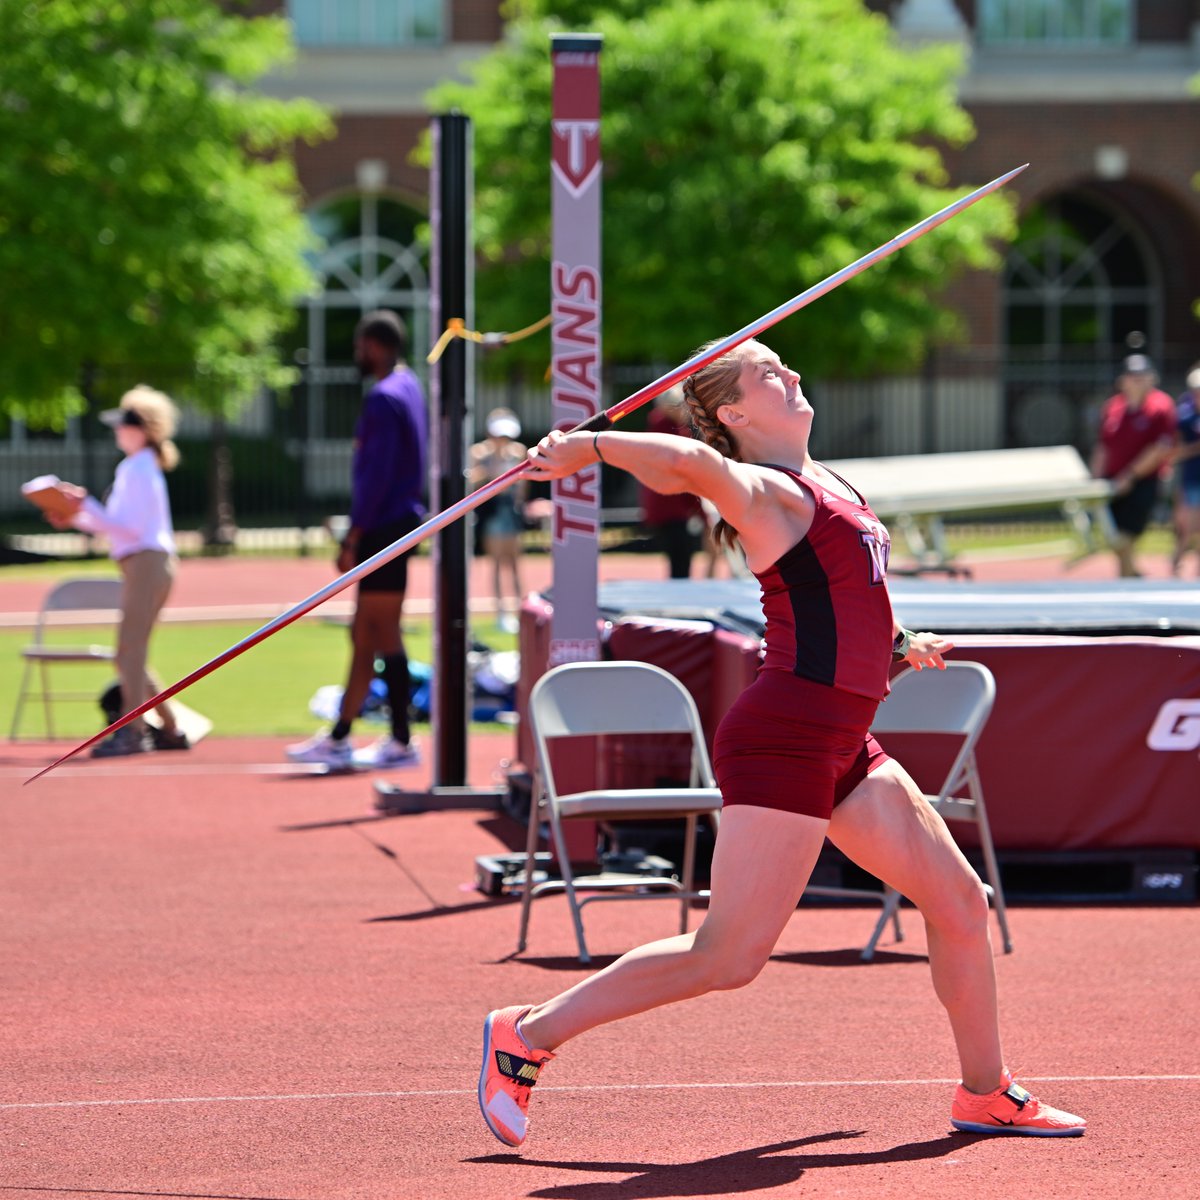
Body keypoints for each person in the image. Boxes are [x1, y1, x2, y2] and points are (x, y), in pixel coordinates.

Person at [478, 339, 1086, 1146]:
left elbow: (837, 591)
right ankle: (527, 1032)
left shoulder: (829, 481)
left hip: (843, 739)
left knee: (960, 903)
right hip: (785, 740)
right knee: (727, 957)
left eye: (787, 364)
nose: (792, 374)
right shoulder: (761, 491)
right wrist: (587, 446)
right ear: (733, 412)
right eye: (768, 373)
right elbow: (688, 464)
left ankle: (986, 1092)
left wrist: (897, 643)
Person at [286, 310, 428, 770]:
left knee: (382, 630)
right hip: (395, 523)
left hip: (385, 526)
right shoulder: (408, 388)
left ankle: (401, 740)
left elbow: (375, 476)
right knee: (364, 632)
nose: (356, 355)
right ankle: (343, 732)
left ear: (376, 345)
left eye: (360, 345)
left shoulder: (384, 397)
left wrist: (355, 534)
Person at [46, 387, 189, 756]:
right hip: (145, 561)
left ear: (141, 429)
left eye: (124, 425)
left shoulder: (137, 467)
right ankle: (170, 728)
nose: (117, 432)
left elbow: (127, 527)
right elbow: (116, 525)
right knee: (130, 652)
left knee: (129, 651)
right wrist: (75, 514)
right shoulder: (139, 467)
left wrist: (83, 505)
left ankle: (135, 730)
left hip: (147, 560)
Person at [1090, 354, 1177, 577]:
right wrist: (1093, 481)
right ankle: (1130, 575)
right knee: (1115, 535)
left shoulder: (1161, 406)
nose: (1136, 380)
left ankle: (1127, 577)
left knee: (1126, 533)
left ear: (1151, 378)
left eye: (1142, 375)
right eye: (1132, 375)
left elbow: (1159, 449)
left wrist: (1129, 476)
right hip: (1111, 481)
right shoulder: (1112, 407)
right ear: (1122, 379)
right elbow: (1103, 446)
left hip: (1143, 480)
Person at [469, 407, 529, 633]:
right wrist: (491, 465)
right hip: (492, 511)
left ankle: (521, 610)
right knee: (496, 563)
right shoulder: (480, 452)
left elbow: (523, 484)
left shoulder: (517, 451)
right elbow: (473, 480)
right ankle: (501, 613)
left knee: (514, 564)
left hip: (509, 511)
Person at [639, 386, 705, 578]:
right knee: (681, 561)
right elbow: (685, 474)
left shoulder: (657, 429)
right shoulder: (673, 433)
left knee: (677, 560)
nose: (686, 410)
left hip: (663, 506)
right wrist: (701, 512)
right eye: (682, 405)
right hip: (673, 507)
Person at [1170, 363, 1200, 578]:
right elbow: (1175, 451)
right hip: (1191, 479)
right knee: (1188, 525)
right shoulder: (1184, 416)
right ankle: (1177, 564)